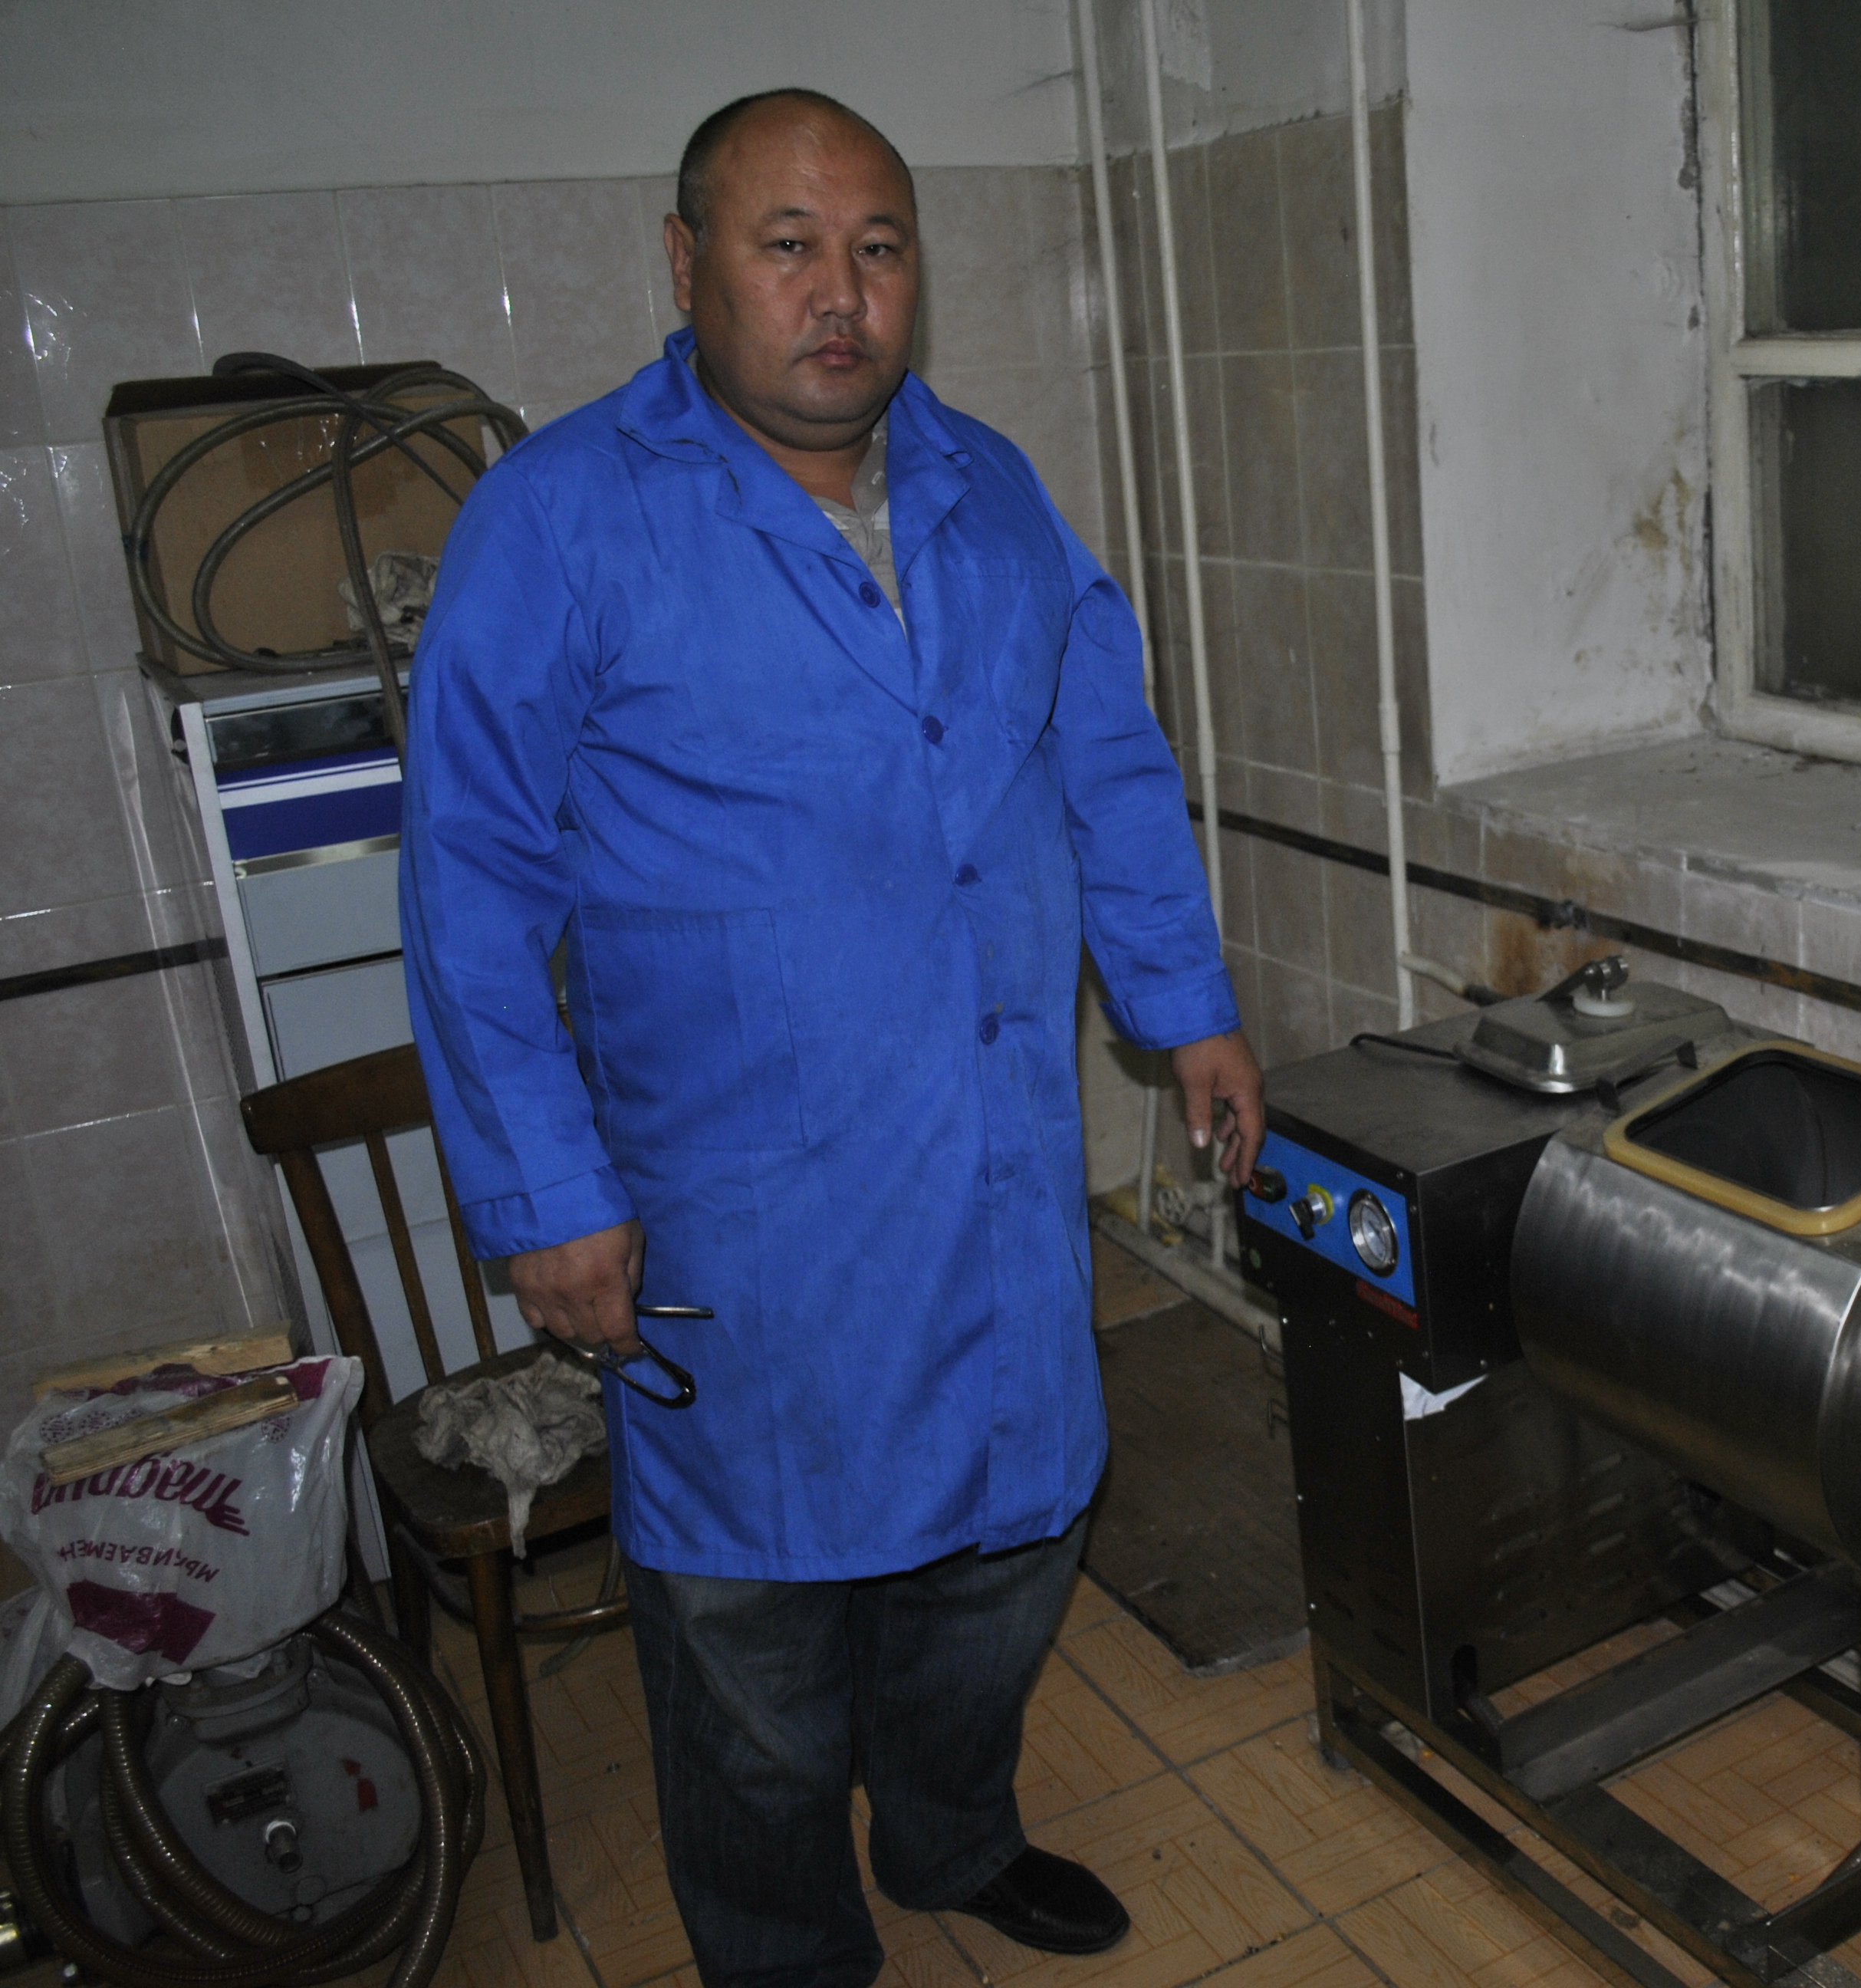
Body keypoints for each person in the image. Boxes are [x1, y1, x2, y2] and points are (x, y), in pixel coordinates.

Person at [398, 86, 1264, 1988]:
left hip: (992, 1162)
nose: (840, 294)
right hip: (744, 1207)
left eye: (877, 248)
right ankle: (785, 1951)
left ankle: (952, 1839)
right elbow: (470, 878)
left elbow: (1107, 765)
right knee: (752, 1644)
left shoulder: (988, 487)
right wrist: (546, 1192)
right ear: (685, 262)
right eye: (787, 244)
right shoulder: (562, 518)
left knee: (1006, 1554)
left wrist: (1186, 1006)